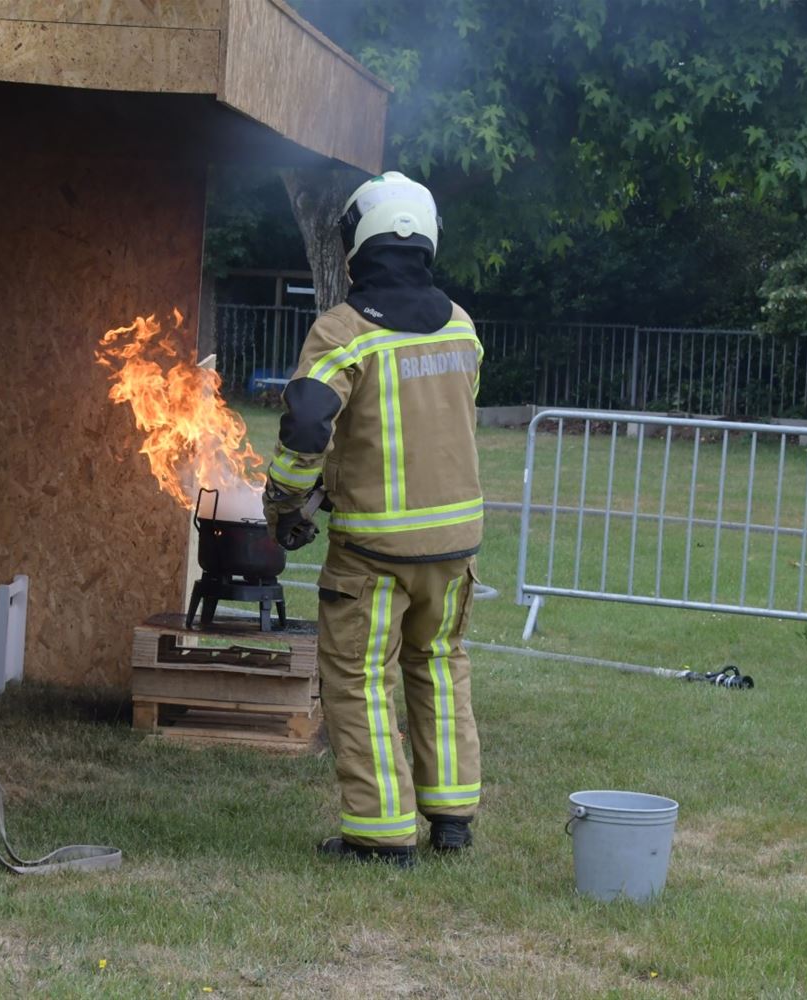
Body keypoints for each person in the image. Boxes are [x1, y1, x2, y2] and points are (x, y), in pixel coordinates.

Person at [263, 172, 483, 867]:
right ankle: (452, 817)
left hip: (374, 554)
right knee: (439, 667)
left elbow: (308, 423)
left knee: (360, 682)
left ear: (358, 242)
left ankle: (382, 835)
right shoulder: (462, 326)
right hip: (453, 549)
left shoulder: (345, 330)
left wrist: (285, 500)